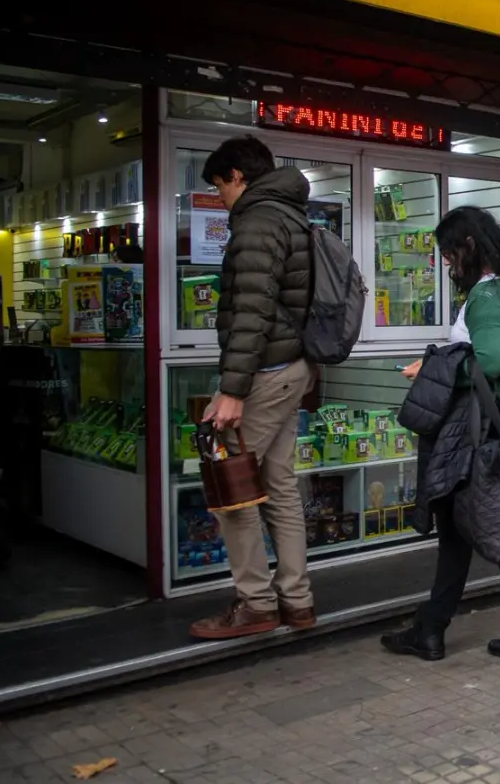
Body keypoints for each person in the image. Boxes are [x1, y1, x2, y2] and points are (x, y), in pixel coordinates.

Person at [382, 206, 500, 662]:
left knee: (499, 525)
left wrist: (432, 365)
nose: (445, 263)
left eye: (447, 252)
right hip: (486, 432)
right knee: (465, 531)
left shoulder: (487, 296)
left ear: (469, 247)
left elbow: (491, 362)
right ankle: (432, 628)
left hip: (479, 435)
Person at [191, 136, 316, 640]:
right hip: (292, 368)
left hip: (264, 374)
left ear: (237, 176)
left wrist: (232, 389)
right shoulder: (290, 214)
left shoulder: (259, 221)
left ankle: (256, 604)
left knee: (233, 485)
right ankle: (297, 601)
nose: (219, 196)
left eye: (220, 185)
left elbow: (251, 311)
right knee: (279, 486)